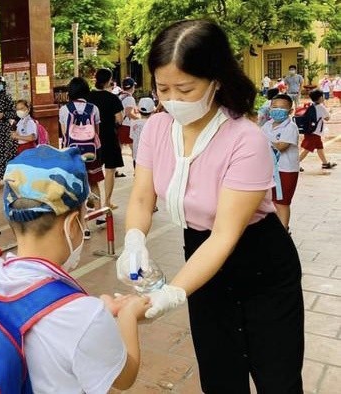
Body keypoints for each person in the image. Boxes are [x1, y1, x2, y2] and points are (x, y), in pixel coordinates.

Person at [122, 20, 304, 393]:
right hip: (201, 263)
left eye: (185, 89)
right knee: (220, 375)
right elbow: (142, 196)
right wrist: (134, 240)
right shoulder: (157, 128)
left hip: (259, 263)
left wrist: (171, 293)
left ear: (216, 80)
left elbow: (224, 235)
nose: (172, 99)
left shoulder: (245, 139)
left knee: (277, 378)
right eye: (163, 88)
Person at [0, 145, 149, 392]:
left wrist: (99, 313)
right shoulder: (82, 314)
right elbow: (124, 377)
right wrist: (128, 315)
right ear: (73, 223)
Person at [59, 77, 103, 239]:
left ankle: (84, 227)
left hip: (72, 153)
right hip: (92, 152)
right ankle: (100, 215)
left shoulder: (64, 109)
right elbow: (96, 131)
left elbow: (64, 133)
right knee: (94, 182)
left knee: (76, 186)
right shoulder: (94, 108)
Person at [261, 94, 299, 230]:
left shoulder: (291, 127)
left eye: (282, 108)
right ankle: (275, 230)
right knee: (272, 201)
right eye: (274, 107)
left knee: (282, 202)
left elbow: (282, 146)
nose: (277, 110)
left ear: (290, 111)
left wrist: (264, 142)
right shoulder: (267, 125)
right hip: (270, 170)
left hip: (286, 170)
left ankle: (284, 230)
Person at [88, 68, 124, 210]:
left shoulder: (88, 97)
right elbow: (119, 119)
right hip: (109, 137)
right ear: (109, 80)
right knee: (110, 169)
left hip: (91, 138)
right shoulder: (112, 98)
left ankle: (95, 202)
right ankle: (107, 202)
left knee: (93, 170)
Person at [299, 89, 337, 170]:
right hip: (314, 132)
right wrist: (330, 111)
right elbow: (327, 118)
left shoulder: (312, 105)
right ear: (320, 97)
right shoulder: (320, 107)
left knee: (319, 147)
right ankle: (294, 165)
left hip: (311, 131)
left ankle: (325, 163)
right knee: (307, 149)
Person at [117, 77, 139, 176]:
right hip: (127, 126)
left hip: (119, 125)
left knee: (118, 149)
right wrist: (139, 119)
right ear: (132, 87)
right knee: (135, 149)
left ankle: (114, 170)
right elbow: (129, 113)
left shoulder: (119, 96)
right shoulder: (129, 98)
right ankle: (137, 170)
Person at [130, 97, 156, 170]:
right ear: (153, 110)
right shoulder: (154, 123)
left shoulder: (133, 122)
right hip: (150, 156)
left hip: (137, 155)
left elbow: (132, 137)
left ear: (138, 109)